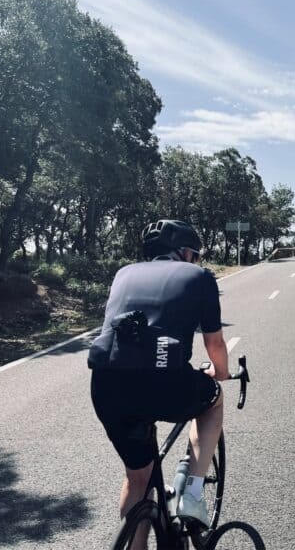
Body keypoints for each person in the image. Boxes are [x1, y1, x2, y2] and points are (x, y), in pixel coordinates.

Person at [88, 219, 231, 531]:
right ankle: (192, 494)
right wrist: (220, 372)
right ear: (185, 252)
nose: (196, 261)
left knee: (137, 479)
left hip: (106, 386)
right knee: (215, 400)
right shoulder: (200, 276)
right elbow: (215, 343)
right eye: (196, 255)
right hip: (165, 384)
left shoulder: (123, 273)